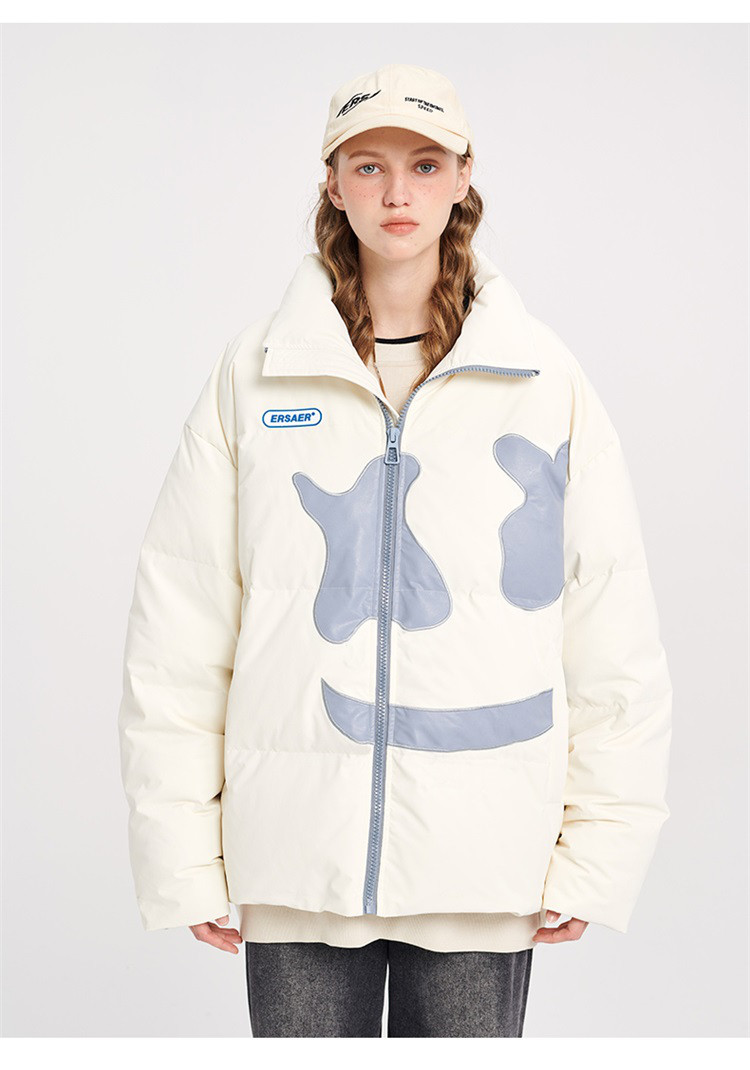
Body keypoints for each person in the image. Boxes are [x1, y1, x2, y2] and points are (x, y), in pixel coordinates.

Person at [117, 63, 673, 1038]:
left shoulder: (542, 381)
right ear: (333, 184)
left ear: (463, 178)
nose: (397, 191)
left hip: (482, 859)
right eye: (368, 165)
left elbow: (610, 629)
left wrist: (598, 853)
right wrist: (182, 854)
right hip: (297, 860)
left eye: (423, 163)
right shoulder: (256, 376)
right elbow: (181, 629)